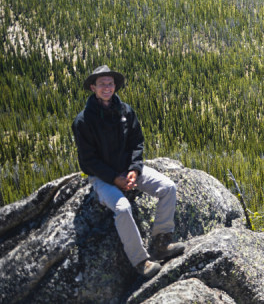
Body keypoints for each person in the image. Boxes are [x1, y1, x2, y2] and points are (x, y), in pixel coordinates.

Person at [72, 65, 185, 278]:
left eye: (110, 83)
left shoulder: (125, 111)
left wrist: (134, 170)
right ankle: (140, 261)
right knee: (122, 208)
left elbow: (137, 142)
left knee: (168, 187)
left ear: (115, 86)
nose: (107, 87)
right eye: (102, 84)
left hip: (129, 170)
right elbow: (88, 161)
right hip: (103, 178)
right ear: (92, 87)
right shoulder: (83, 121)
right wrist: (114, 178)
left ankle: (161, 243)